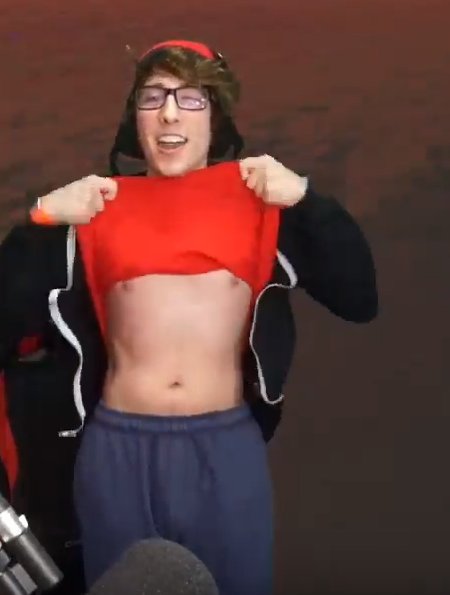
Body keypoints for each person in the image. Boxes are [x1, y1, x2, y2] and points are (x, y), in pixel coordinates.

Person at [0, 39, 378, 595]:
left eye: (191, 97)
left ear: (215, 115)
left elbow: (360, 299)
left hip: (223, 451)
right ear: (135, 118)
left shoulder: (260, 202)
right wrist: (39, 221)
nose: (170, 113)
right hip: (118, 451)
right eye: (153, 97)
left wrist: (305, 198)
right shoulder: (97, 207)